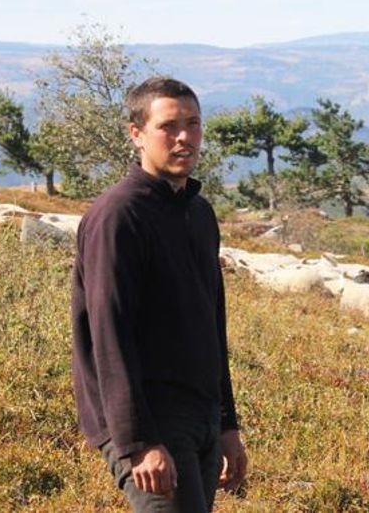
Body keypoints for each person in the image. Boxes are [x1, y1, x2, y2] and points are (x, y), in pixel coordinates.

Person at [71, 76, 248, 511]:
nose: (185, 137)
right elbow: (108, 335)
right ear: (137, 134)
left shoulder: (197, 212)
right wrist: (139, 441)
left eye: (193, 123)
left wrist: (226, 422)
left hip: (200, 414)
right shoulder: (118, 217)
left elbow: (212, 322)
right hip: (150, 420)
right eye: (169, 126)